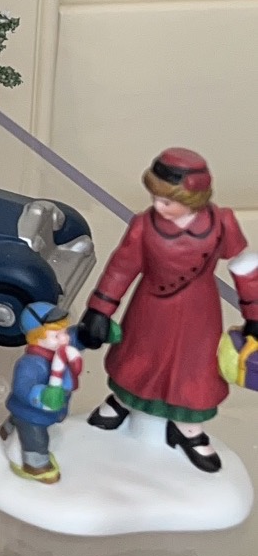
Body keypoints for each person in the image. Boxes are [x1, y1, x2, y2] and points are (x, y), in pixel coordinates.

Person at [77, 148, 258, 473]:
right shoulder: (143, 225)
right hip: (150, 309)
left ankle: (188, 428)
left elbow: (244, 266)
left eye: (167, 201)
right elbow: (121, 268)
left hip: (199, 313)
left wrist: (254, 313)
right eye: (155, 198)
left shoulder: (222, 223)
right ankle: (123, 401)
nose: (158, 206)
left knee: (194, 370)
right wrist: (99, 309)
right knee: (138, 357)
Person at [0, 301, 81, 483]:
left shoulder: (60, 350)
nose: (64, 339)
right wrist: (42, 395)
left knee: (18, 420)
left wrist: (88, 333)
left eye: (64, 332)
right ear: (37, 338)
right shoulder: (30, 363)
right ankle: (35, 465)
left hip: (52, 408)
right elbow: (22, 388)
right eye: (56, 335)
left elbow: (76, 338)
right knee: (35, 437)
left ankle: (7, 429)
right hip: (32, 413)